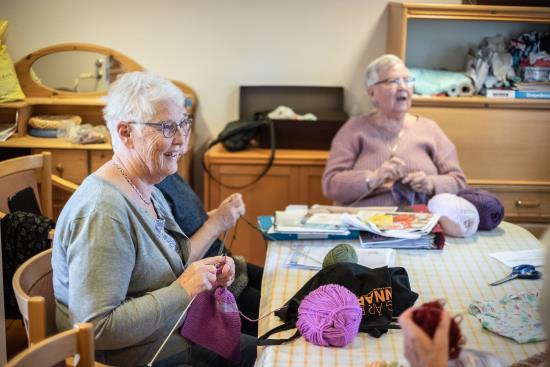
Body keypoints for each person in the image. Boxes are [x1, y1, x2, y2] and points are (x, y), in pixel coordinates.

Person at [52, 71, 256, 367]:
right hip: (135, 355)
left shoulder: (145, 187)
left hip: (168, 333)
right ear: (125, 133)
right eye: (166, 127)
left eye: (182, 124)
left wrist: (205, 274)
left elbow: (167, 264)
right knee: (270, 357)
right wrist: (184, 289)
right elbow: (94, 329)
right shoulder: (103, 212)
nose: (182, 140)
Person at [322, 54, 466, 207]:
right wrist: (373, 178)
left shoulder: (430, 129)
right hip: (365, 223)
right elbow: (331, 185)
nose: (403, 87)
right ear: (372, 92)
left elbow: (458, 181)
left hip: (419, 224)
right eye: (393, 81)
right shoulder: (353, 130)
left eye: (407, 80)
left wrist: (430, 183)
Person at [156, 173, 263, 336]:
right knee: (274, 309)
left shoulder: (170, 173)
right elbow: (174, 263)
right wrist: (217, 223)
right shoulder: (152, 188)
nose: (181, 146)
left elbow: (187, 225)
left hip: (226, 265)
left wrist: (222, 213)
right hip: (209, 285)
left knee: (278, 283)